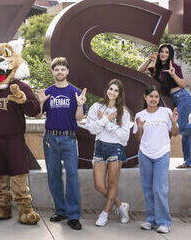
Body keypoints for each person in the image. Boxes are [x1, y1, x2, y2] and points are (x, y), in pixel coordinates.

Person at [138, 44, 191, 168]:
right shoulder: (156, 68)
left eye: (167, 52)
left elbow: (183, 84)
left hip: (184, 98)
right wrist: (149, 59)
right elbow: (139, 71)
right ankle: (190, 162)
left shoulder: (174, 67)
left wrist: (173, 75)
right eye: (162, 51)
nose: (164, 54)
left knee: (179, 128)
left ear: (170, 54)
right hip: (176, 101)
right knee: (184, 131)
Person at [37, 57, 86, 230]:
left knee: (72, 175)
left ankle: (73, 215)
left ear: (67, 71)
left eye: (62, 69)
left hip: (69, 138)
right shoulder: (48, 92)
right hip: (50, 139)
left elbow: (79, 118)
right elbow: (37, 115)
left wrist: (80, 105)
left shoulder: (74, 92)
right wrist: (41, 102)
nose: (59, 72)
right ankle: (61, 210)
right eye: (56, 69)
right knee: (54, 176)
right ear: (53, 72)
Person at [81, 79, 131, 226]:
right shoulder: (96, 106)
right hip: (99, 147)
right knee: (99, 186)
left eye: (116, 90)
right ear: (106, 89)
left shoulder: (123, 112)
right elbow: (91, 129)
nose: (112, 92)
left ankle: (105, 213)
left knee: (112, 183)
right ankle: (121, 205)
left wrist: (107, 123)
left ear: (119, 93)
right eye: (111, 89)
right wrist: (105, 120)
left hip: (116, 148)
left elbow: (124, 137)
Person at [134, 86, 179, 234]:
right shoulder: (140, 115)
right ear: (145, 97)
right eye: (151, 96)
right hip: (145, 153)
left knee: (160, 189)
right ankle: (150, 220)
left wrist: (173, 122)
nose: (154, 99)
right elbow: (138, 138)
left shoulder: (166, 112)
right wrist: (140, 127)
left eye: (156, 97)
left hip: (162, 153)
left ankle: (164, 222)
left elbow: (174, 133)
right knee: (147, 188)